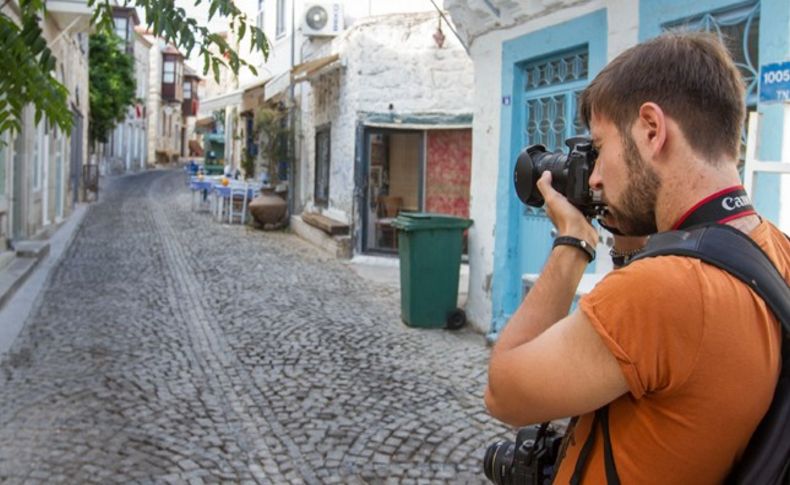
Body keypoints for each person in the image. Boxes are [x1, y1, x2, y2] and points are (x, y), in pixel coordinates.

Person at [484, 32, 790, 483]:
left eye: (601, 148)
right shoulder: (775, 249)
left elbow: (502, 392)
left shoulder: (665, 290)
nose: (593, 180)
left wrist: (574, 240)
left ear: (652, 129)